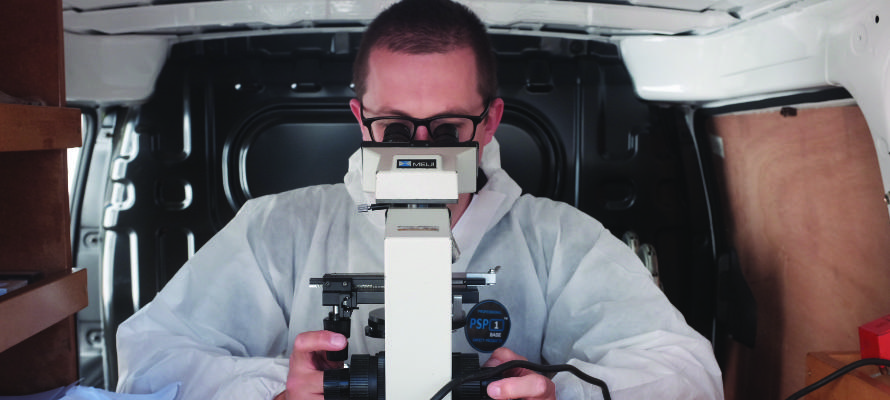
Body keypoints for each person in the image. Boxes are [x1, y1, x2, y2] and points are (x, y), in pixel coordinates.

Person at [115, 0, 724, 399]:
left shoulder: (560, 239)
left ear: (490, 123)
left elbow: (689, 372)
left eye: (450, 129)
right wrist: (283, 391)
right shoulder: (278, 228)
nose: (425, 150)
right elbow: (151, 364)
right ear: (361, 119)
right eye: (399, 130)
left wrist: (559, 393)